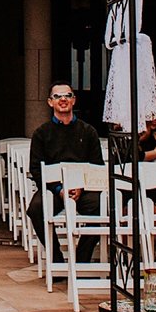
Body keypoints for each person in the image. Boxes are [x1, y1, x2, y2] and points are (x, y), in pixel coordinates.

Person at [27, 82, 104, 258]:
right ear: (50, 102)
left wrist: (81, 187)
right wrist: (60, 190)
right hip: (54, 188)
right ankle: (56, 258)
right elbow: (36, 168)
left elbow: (97, 166)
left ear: (74, 100)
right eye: (57, 96)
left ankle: (82, 259)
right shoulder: (41, 133)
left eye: (67, 95)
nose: (63, 99)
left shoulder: (88, 132)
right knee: (36, 209)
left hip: (83, 188)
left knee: (104, 207)